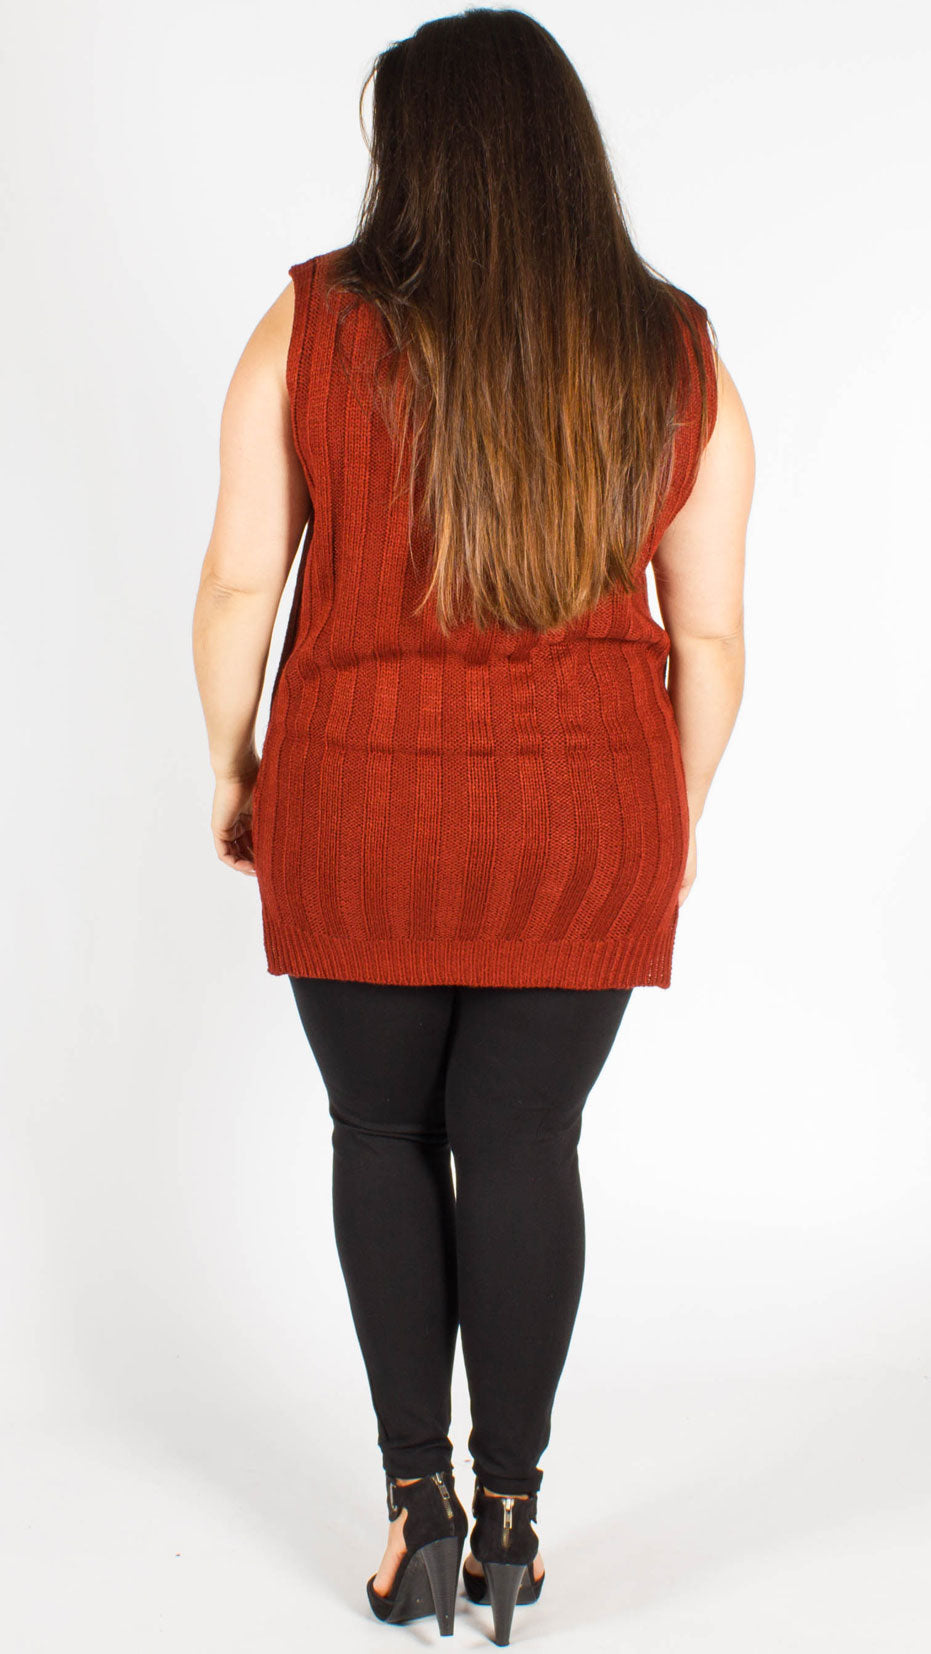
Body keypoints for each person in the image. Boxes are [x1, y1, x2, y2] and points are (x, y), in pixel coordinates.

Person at [192, 7, 753, 1643]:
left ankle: (414, 1508)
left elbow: (239, 584)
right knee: (524, 1140)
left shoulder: (312, 325)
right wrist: (667, 815)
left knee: (381, 1133)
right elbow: (712, 634)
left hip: (358, 799)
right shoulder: (673, 350)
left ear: (416, 155)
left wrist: (233, 767)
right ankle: (513, 1520)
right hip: (585, 814)